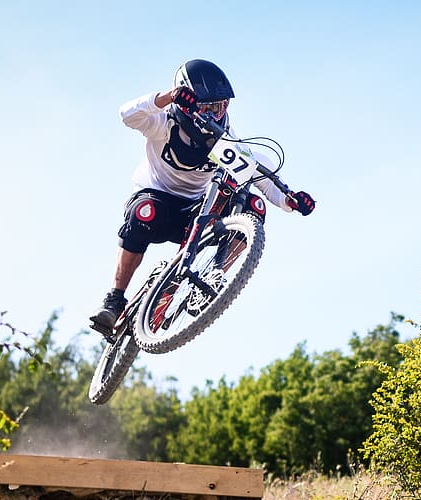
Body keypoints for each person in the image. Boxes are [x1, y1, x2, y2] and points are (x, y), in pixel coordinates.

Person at [90, 59, 316, 331]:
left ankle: (214, 276)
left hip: (196, 212)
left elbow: (258, 172)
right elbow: (127, 115)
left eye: (219, 107)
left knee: (253, 206)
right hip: (158, 201)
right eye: (206, 107)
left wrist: (290, 200)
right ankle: (114, 300)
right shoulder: (164, 123)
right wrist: (167, 98)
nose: (213, 114)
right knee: (144, 212)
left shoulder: (224, 139)